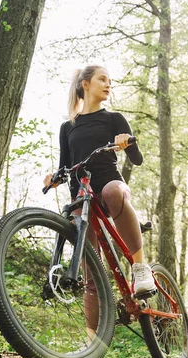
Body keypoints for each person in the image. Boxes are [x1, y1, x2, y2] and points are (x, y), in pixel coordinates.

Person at [44, 65, 156, 297]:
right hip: (82, 198)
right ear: (86, 85)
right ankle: (94, 334)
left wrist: (128, 142)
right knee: (90, 277)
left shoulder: (114, 119)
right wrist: (54, 178)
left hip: (109, 185)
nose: (108, 84)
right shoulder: (68, 127)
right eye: (102, 79)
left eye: (110, 81)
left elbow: (137, 160)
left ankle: (141, 268)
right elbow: (65, 166)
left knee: (113, 191)